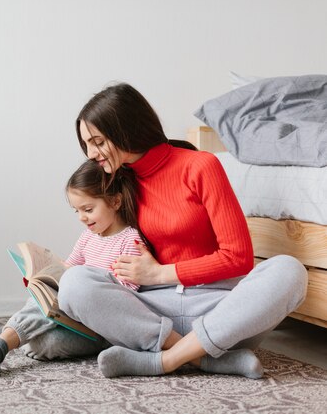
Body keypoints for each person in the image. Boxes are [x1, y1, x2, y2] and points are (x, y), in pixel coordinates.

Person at [56, 82, 308, 379]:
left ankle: (166, 360)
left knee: (290, 271)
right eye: (86, 143)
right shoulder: (117, 182)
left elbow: (238, 257)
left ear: (125, 129)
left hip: (221, 311)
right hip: (153, 310)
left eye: (97, 142)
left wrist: (160, 273)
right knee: (74, 283)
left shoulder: (201, 166)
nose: (90, 153)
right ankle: (203, 359)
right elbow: (103, 243)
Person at [0, 159, 143, 373]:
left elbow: (128, 298)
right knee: (40, 298)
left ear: (115, 202)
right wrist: (43, 278)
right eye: (76, 211)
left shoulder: (130, 240)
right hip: (72, 314)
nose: (82, 218)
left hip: (99, 329)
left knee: (47, 345)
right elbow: (68, 269)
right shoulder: (89, 237)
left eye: (87, 209)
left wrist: (90, 288)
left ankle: (9, 335)